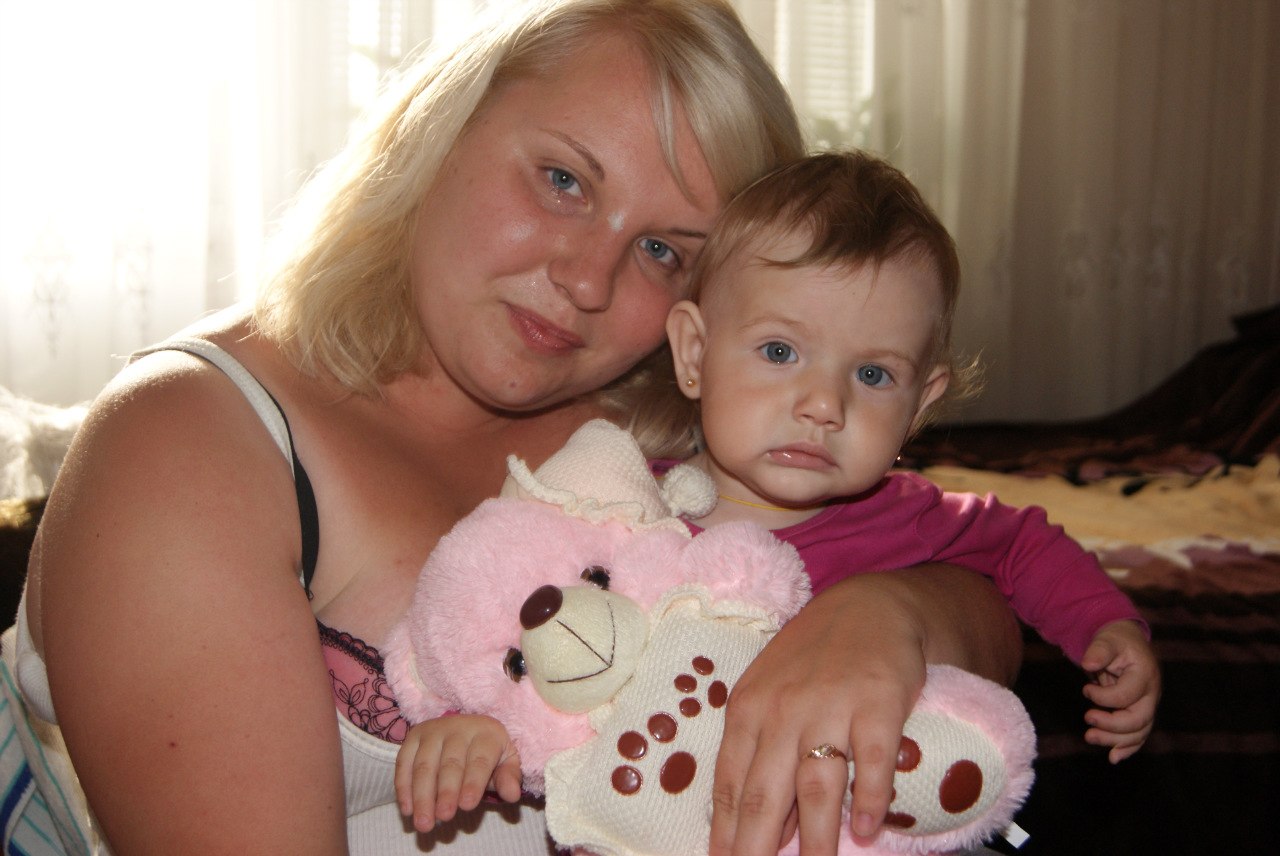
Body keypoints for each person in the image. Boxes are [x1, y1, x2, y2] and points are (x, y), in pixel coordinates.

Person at [4, 4, 1021, 856]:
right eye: (564, 180)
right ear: (437, 131)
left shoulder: (665, 427)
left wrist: (891, 616)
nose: (586, 279)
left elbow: (994, 610)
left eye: (663, 249)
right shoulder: (190, 440)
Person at [393, 151, 1160, 849]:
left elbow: (1024, 544)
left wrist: (1108, 626)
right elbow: (539, 639)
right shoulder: (620, 510)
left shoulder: (914, 520)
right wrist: (471, 726)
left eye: (872, 375)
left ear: (919, 405)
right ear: (695, 353)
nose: (823, 404)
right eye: (780, 351)